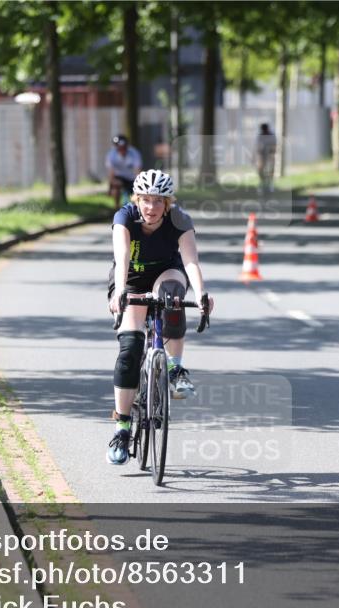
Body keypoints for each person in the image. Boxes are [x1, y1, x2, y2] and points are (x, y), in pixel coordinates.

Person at [106, 169, 214, 465]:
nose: (151, 207)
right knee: (129, 349)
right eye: (146, 200)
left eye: (158, 201)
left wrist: (201, 293)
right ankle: (122, 428)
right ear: (137, 200)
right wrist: (120, 293)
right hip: (130, 278)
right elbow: (122, 256)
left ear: (167, 204)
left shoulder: (179, 219)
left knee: (173, 297)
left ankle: (175, 368)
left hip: (167, 272)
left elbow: (190, 261)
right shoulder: (124, 217)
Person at [105, 135, 143, 208]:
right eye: (119, 148)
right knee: (116, 184)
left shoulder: (134, 153)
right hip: (120, 177)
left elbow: (137, 170)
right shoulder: (111, 155)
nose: (122, 150)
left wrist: (139, 184)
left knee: (136, 195)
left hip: (132, 178)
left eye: (124, 147)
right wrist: (110, 187)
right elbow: (111, 172)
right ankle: (117, 206)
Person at [254, 123, 278, 194]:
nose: (264, 131)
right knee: (260, 170)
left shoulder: (272, 136)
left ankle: (270, 184)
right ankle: (262, 183)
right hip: (262, 156)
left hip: (270, 155)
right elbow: (258, 147)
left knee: (270, 170)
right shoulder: (260, 136)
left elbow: (274, 146)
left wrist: (271, 152)